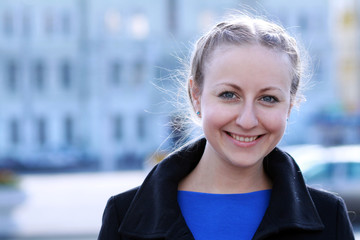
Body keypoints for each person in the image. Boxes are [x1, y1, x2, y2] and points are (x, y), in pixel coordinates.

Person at [98, 14, 355, 240]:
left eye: (268, 98)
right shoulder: (123, 217)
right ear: (196, 96)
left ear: (289, 106)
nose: (247, 120)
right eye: (229, 95)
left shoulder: (328, 217)